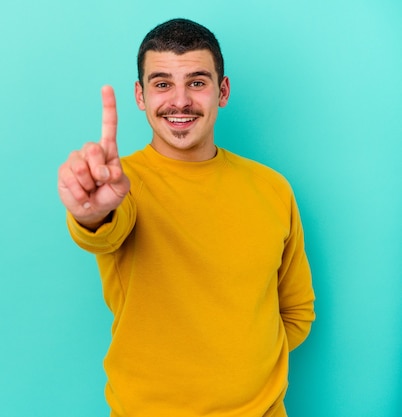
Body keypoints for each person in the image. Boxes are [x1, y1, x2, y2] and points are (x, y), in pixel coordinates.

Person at [57, 18, 315, 417]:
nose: (180, 101)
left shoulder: (272, 188)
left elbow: (296, 311)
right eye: (162, 84)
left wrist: (244, 366)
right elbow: (102, 232)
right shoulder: (121, 186)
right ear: (140, 96)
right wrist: (92, 213)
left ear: (222, 91)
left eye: (196, 82)